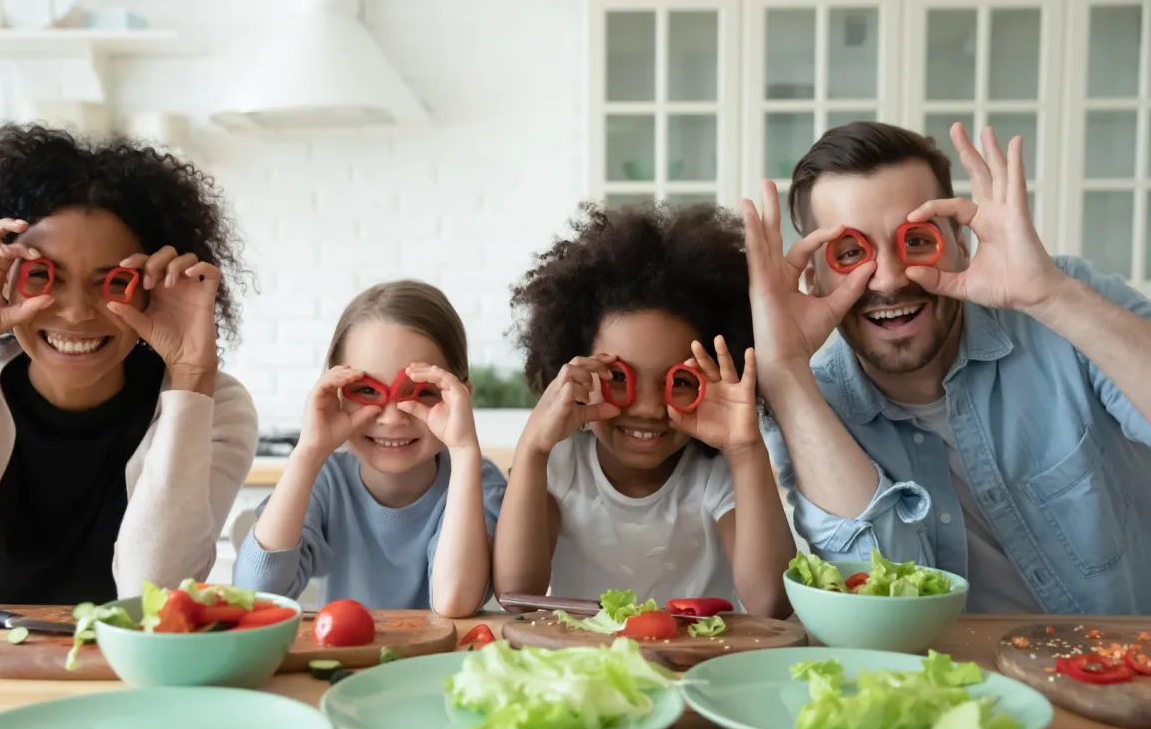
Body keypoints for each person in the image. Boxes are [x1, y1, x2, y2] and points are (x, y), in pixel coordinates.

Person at [747, 120, 1151, 614]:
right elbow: (885, 608)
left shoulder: (1065, 303)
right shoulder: (813, 405)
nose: (890, 279)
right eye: (851, 254)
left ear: (961, 243)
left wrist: (1050, 296)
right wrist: (784, 369)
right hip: (951, 689)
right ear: (814, 278)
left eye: (916, 240)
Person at [0, 124, 258, 626]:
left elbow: (156, 600)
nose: (76, 313)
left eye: (112, 283)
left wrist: (189, 375)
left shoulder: (215, 406)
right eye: (42, 274)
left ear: (150, 289)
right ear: (3, 279)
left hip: (129, 674)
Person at [495, 202, 793, 616]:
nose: (651, 408)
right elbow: (516, 595)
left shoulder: (715, 474)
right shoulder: (561, 466)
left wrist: (746, 451)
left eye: (679, 382)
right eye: (620, 378)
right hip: (587, 667)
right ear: (573, 368)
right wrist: (531, 448)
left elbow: (771, 604)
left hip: (696, 666)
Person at [232, 280, 506, 618]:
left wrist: (464, 450)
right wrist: (309, 452)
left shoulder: (479, 483)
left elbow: (454, 600)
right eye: (366, 389)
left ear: (460, 397)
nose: (392, 419)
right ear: (335, 393)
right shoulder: (326, 481)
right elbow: (255, 596)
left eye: (421, 392)